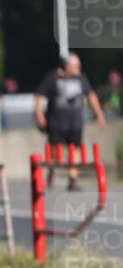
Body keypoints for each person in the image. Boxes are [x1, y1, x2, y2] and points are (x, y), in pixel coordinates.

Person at [35, 53, 106, 190]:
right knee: (54, 151)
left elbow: (91, 96)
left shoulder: (81, 79)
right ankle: (51, 174)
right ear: (67, 66)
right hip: (56, 123)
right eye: (76, 66)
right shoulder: (52, 78)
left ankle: (73, 179)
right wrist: (39, 115)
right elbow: (39, 96)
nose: (79, 68)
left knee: (75, 150)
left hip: (75, 123)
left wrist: (99, 113)